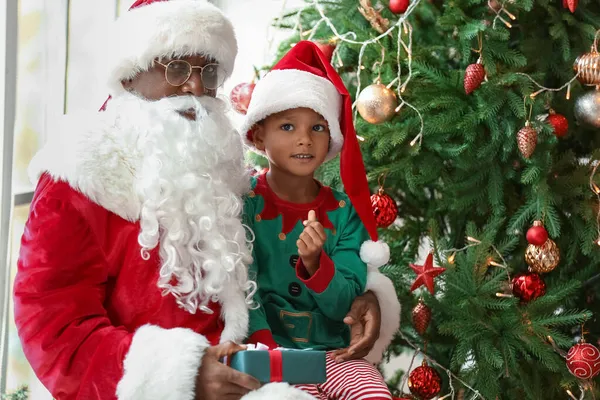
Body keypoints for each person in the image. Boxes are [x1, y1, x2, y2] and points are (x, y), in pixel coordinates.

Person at [13, 1, 399, 400]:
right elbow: (52, 331)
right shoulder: (81, 176)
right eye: (176, 68)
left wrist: (362, 297)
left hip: (259, 369)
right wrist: (182, 376)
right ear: (129, 76)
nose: (195, 88)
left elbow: (276, 265)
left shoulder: (222, 172)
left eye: (208, 72)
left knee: (360, 387)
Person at [240, 41, 398, 399]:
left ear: (332, 139)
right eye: (287, 126)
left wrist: (316, 264)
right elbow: (240, 286)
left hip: (334, 357)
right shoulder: (242, 202)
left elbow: (345, 303)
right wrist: (266, 353)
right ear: (258, 133)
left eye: (317, 128)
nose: (304, 139)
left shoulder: (344, 213)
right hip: (262, 355)